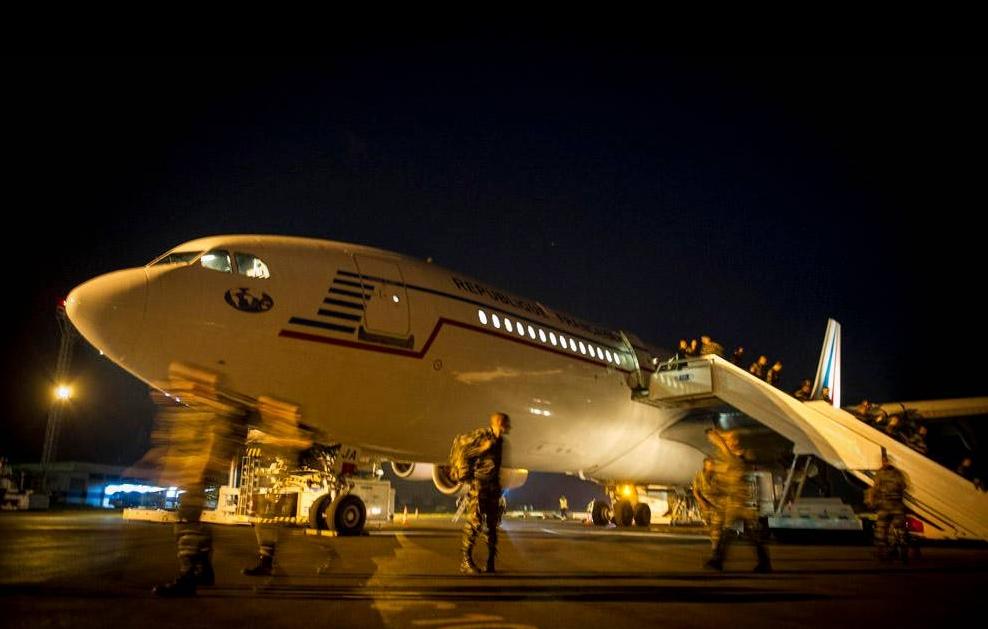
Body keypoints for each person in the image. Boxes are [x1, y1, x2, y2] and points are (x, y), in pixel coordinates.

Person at [142, 365, 246, 597]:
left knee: (187, 520)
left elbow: (211, 442)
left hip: (199, 472)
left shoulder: (209, 410)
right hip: (198, 472)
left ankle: (188, 575)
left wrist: (198, 467)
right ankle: (203, 568)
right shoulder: (204, 409)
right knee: (193, 521)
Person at [704, 429, 771, 573]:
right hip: (735, 502)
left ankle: (717, 560)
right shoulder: (734, 457)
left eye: (731, 440)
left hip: (737, 502)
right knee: (748, 534)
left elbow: (724, 448)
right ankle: (764, 562)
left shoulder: (738, 458)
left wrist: (717, 437)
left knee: (727, 532)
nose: (728, 442)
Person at [458, 412, 511, 574]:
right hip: (479, 486)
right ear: (499, 423)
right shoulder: (482, 436)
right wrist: (482, 448)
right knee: (476, 523)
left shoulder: (501, 441)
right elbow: (465, 452)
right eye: (507, 424)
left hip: (493, 487)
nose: (509, 427)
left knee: (493, 526)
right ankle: (465, 561)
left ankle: (490, 562)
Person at [866, 449, 908, 559]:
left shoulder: (880, 473)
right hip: (897, 506)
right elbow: (904, 487)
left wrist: (871, 502)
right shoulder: (899, 473)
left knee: (880, 530)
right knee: (899, 530)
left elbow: (875, 489)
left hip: (885, 506)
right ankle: (899, 549)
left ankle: (882, 553)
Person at [692, 458, 722, 552]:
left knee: (716, 526)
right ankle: (714, 540)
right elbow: (695, 491)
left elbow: (722, 490)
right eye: (709, 465)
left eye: (712, 465)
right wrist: (701, 502)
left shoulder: (717, 476)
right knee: (709, 524)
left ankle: (715, 546)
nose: (711, 467)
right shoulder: (699, 475)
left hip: (716, 505)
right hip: (705, 504)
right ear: (705, 465)